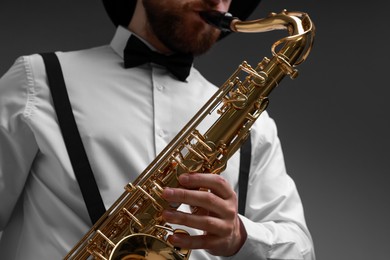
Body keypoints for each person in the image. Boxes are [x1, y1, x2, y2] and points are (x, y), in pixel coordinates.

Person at [0, 0, 315, 259]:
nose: (218, 2)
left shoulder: (253, 123)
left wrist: (241, 236)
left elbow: (301, 248)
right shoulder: (37, 80)